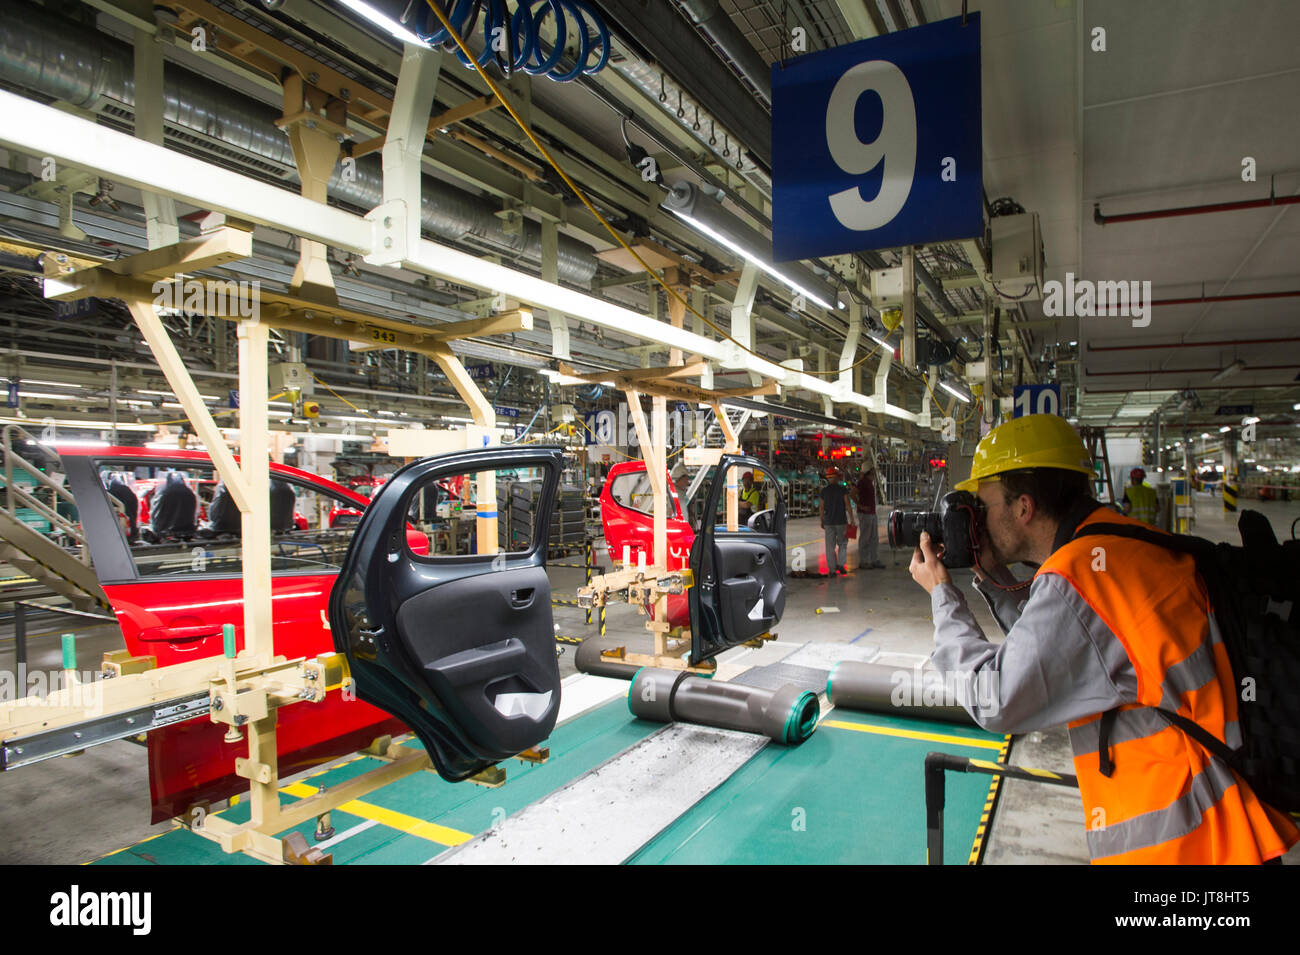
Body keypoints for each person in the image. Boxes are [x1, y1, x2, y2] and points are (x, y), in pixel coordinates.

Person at [907, 414, 1297, 864]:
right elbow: (1067, 650)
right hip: (1224, 816)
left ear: (1023, 507)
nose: (978, 519)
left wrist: (942, 595)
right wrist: (992, 574)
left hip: (1187, 844)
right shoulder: (1120, 543)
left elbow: (996, 698)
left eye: (986, 504)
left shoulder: (1078, 577)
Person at [819, 466, 853, 576]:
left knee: (830, 546)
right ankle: (841, 565)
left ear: (828, 478)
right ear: (837, 477)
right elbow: (848, 505)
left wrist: (822, 520)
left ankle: (832, 570)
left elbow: (821, 507)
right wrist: (852, 519)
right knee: (843, 543)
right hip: (841, 521)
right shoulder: (842, 490)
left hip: (829, 522)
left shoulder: (824, 491)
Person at [854, 463, 885, 569]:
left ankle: (874, 559)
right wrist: (861, 506)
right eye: (873, 470)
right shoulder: (862, 482)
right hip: (865, 514)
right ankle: (863, 561)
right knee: (865, 538)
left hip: (872, 513)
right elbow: (852, 494)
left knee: (874, 537)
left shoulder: (870, 482)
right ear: (869, 471)